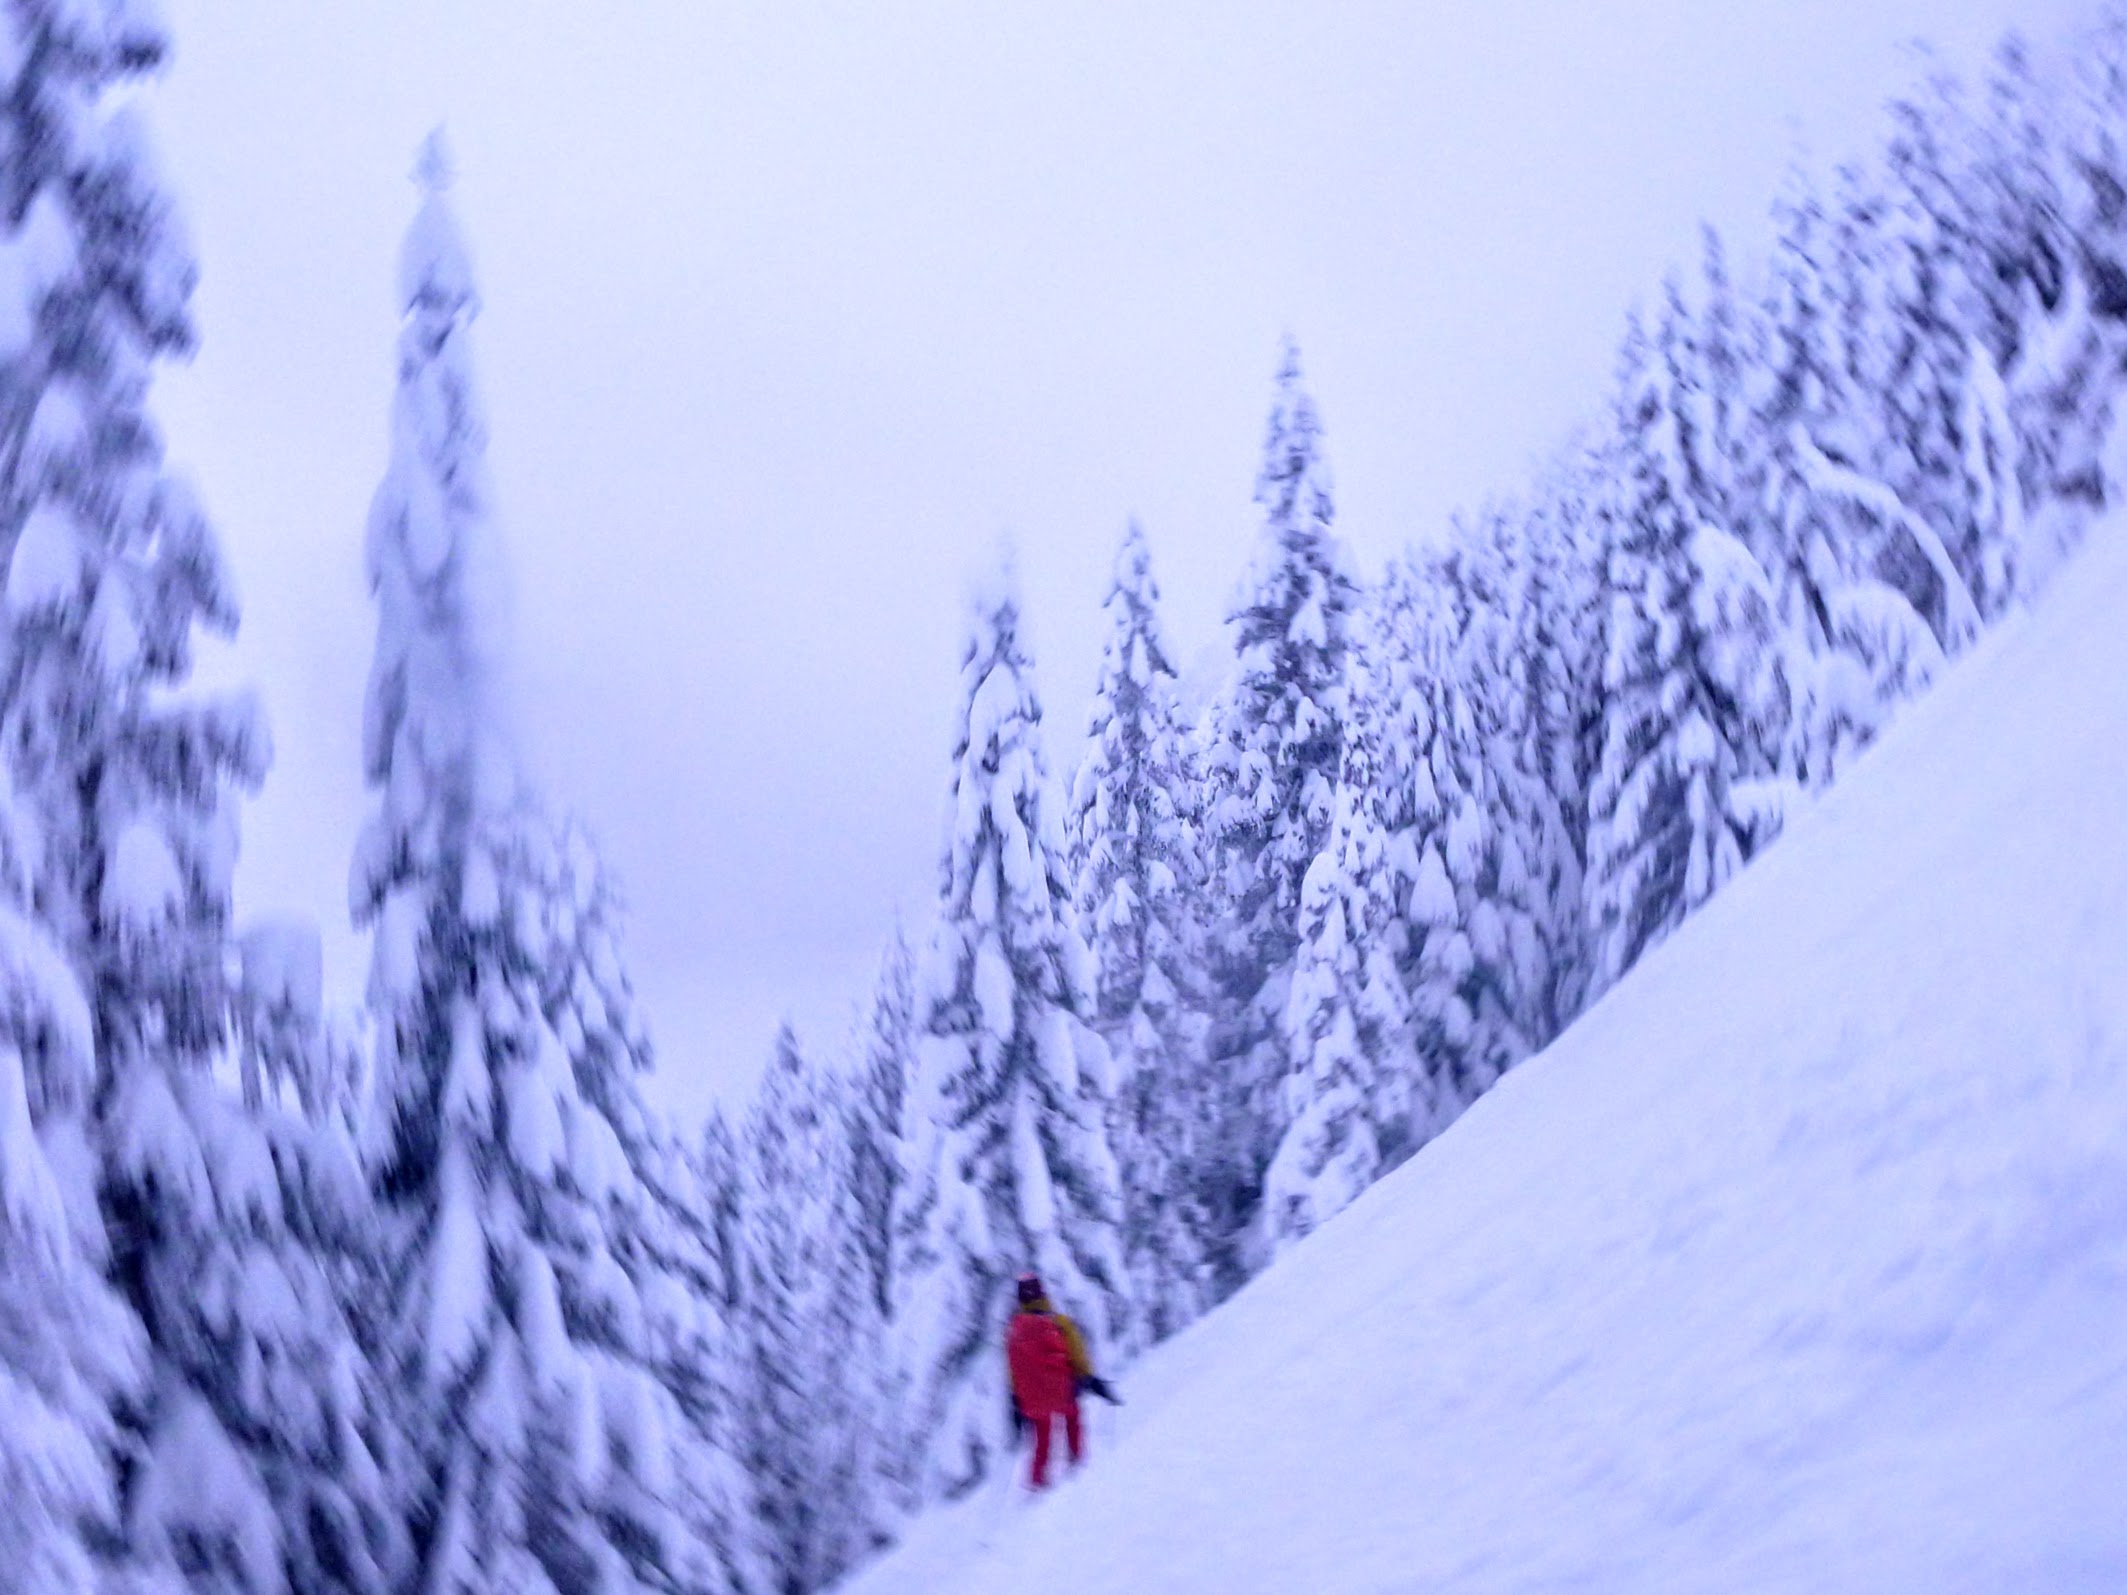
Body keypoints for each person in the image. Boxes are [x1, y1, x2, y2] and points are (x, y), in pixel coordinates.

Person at [1004, 1271, 1116, 1488]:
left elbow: (1013, 1370)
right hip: (1063, 1392)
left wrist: (1016, 1400)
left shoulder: (1013, 1332)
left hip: (1032, 1400)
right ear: (1042, 1293)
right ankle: (1077, 1462)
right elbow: (1077, 1353)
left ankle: (1037, 1482)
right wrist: (1089, 1378)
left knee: (1042, 1438)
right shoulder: (1058, 1322)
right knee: (1073, 1418)